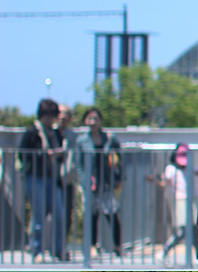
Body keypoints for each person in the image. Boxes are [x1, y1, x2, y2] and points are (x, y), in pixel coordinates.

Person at [18, 99, 69, 262]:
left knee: (60, 214)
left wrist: (59, 154)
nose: (50, 119)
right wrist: (42, 155)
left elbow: (60, 153)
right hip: (35, 177)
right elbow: (22, 154)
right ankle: (37, 250)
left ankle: (58, 250)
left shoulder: (55, 133)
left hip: (52, 178)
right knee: (38, 215)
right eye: (47, 116)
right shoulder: (32, 132)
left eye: (52, 116)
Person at [78, 108, 123, 257]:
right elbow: (79, 164)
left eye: (95, 119)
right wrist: (85, 181)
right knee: (93, 215)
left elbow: (119, 158)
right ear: (85, 121)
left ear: (100, 121)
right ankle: (92, 246)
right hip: (91, 183)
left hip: (107, 182)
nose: (92, 122)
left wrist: (118, 177)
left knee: (112, 214)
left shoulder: (109, 138)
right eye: (89, 119)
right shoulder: (82, 140)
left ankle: (118, 246)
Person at [155, 143, 190, 265]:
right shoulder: (171, 169)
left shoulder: (190, 168)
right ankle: (164, 251)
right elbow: (164, 181)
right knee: (183, 231)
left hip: (193, 200)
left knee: (196, 230)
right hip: (181, 200)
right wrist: (156, 179)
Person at [56, 105, 80, 243]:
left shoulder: (73, 137)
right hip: (50, 178)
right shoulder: (49, 133)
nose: (62, 117)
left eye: (66, 114)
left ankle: (61, 245)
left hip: (67, 180)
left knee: (66, 213)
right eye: (59, 113)